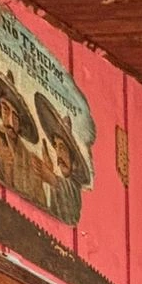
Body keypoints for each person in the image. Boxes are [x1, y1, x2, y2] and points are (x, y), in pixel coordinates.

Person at [0, 67, 49, 206]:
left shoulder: (30, 161)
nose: (11, 122)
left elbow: (40, 204)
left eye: (16, 117)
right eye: (6, 110)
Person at [35, 93, 90, 226]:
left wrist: (52, 179)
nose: (58, 155)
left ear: (73, 158)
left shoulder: (73, 189)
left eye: (63, 148)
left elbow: (72, 208)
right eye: (56, 147)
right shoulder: (64, 186)